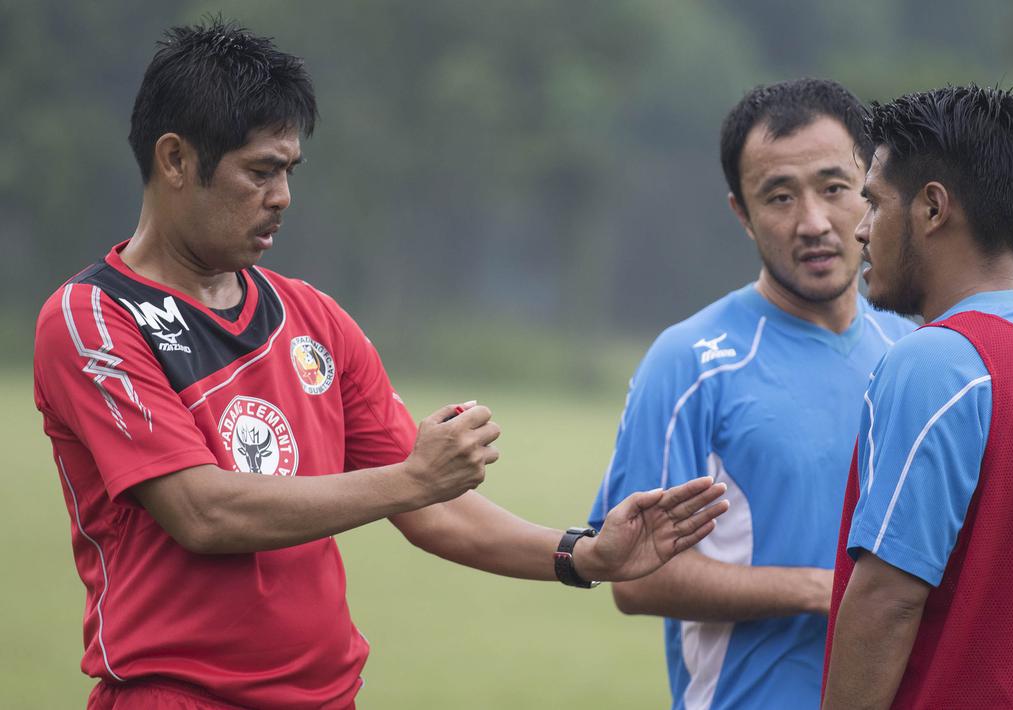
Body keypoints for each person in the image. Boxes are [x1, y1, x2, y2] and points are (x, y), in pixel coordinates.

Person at [32, 19, 728, 710]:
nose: (282, 197)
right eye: (260, 171)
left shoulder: (313, 318)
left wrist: (581, 556)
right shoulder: (94, 318)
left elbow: (435, 510)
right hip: (178, 698)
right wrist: (410, 478)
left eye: (289, 171)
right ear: (176, 160)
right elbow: (202, 512)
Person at [588, 79, 916, 710]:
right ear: (741, 212)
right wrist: (820, 588)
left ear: (869, 191)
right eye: (779, 197)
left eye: (834, 188)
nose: (814, 222)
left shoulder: (917, 351)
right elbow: (632, 576)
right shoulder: (688, 364)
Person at [822, 86, 1013, 709]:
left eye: (875, 203)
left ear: (933, 208)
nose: (859, 229)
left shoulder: (938, 363)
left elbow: (888, 600)